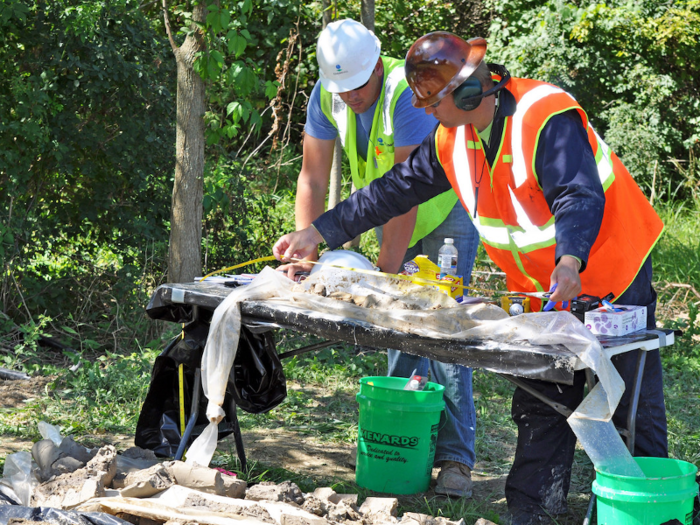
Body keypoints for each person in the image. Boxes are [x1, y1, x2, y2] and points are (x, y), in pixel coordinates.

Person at [273, 32, 667, 525]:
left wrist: (571, 259)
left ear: (466, 94)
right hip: (550, 285)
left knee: (628, 398)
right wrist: (317, 231)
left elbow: (577, 195)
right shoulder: (451, 139)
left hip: (612, 268)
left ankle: (655, 509)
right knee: (545, 389)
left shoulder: (544, 115)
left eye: (433, 102)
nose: (429, 113)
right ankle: (532, 512)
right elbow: (390, 193)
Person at [278, 20, 481, 497]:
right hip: (391, 210)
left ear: (375, 65)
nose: (349, 96)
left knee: (442, 327)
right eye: (341, 87)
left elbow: (406, 192)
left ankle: (456, 460)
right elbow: (311, 176)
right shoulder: (327, 93)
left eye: (357, 86)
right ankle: (407, 444)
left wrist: (384, 277)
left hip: (444, 211)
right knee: (397, 330)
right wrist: (306, 250)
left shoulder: (402, 92)